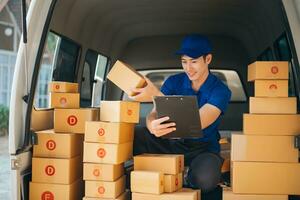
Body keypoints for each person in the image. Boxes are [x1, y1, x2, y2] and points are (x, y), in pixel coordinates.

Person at [130, 34, 231, 194]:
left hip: (202, 149)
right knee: (133, 135)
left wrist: (155, 94)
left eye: (194, 61)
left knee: (206, 179)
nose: (188, 68)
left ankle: (183, 178)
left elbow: (196, 122)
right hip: (170, 143)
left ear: (208, 59)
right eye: (184, 62)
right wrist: (152, 126)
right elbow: (155, 112)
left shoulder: (220, 90)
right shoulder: (173, 82)